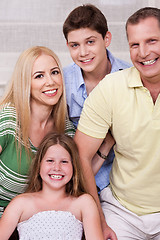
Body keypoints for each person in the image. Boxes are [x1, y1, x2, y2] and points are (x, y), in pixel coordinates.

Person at [74, 7, 160, 240]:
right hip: (121, 211)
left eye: (151, 41)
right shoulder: (110, 88)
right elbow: (80, 155)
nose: (143, 52)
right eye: (134, 45)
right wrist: (99, 220)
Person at [0, 46, 75, 238]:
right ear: (26, 82)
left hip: (31, 222)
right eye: (39, 76)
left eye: (55, 72)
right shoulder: (8, 121)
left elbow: (82, 170)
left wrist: (106, 146)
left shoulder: (64, 129)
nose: (50, 82)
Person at [63, 4, 131, 192]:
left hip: (122, 184)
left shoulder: (131, 76)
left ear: (106, 39)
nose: (83, 52)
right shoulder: (61, 82)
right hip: (79, 181)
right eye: (74, 45)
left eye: (90, 42)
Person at [0, 133, 104, 240]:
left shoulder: (84, 202)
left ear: (73, 166)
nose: (57, 168)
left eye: (64, 162)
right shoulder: (20, 203)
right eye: (50, 161)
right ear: (39, 164)